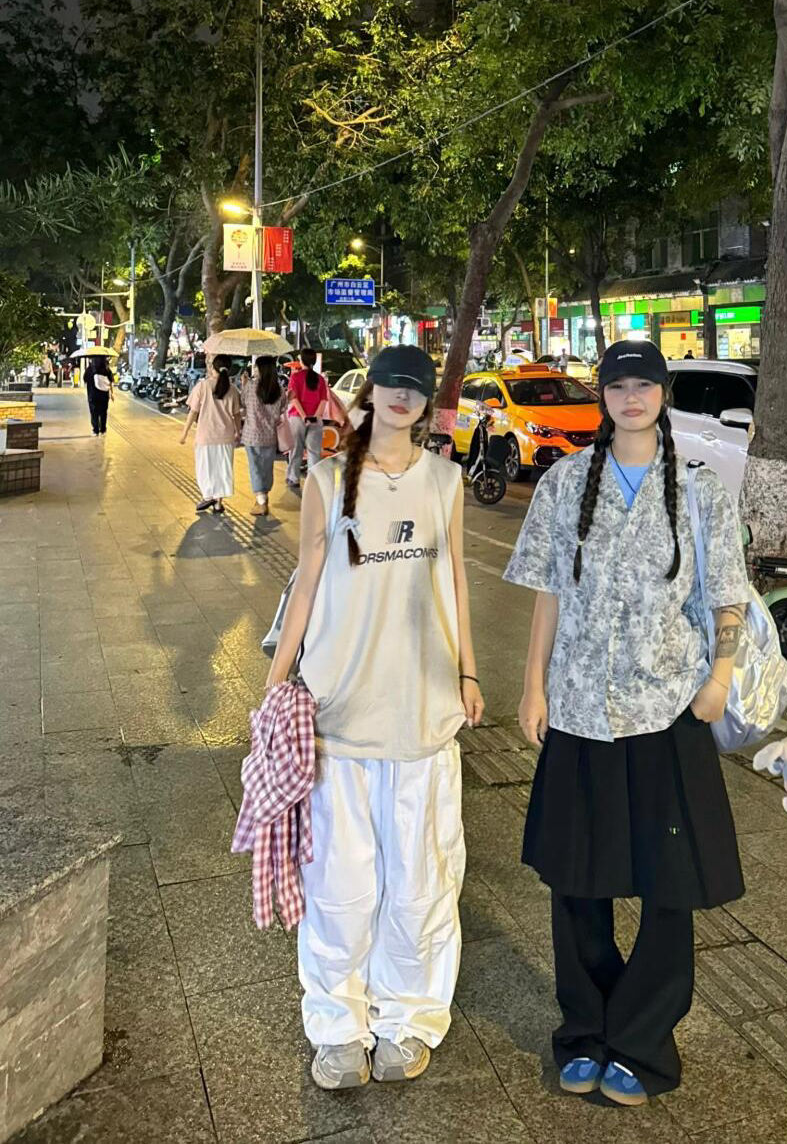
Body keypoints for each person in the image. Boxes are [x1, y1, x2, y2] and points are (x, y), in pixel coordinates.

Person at [503, 339, 750, 1108]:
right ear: (603, 395)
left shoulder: (699, 488)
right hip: (580, 707)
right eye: (619, 385)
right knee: (577, 880)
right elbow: (548, 592)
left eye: (645, 384)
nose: (632, 397)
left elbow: (728, 594)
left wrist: (719, 679)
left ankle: (642, 1040)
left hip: (667, 710)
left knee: (669, 884)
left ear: (663, 393)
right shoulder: (564, 481)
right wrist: (533, 686)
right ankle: (585, 1029)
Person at [265, 344, 484, 1093]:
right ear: (368, 394)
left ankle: (409, 1019)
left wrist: (469, 671)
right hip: (338, 712)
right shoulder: (328, 479)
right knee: (339, 886)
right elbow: (305, 586)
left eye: (414, 388)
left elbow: (455, 579)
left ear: (427, 403)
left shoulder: (445, 482)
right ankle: (337, 1028)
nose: (400, 396)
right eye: (389, 383)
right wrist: (274, 684)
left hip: (424, 711)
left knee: (421, 881)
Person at [179, 354, 242, 514]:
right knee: (222, 469)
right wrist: (238, 432)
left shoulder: (202, 386)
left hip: (205, 436)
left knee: (205, 468)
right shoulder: (233, 389)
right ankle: (218, 503)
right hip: (226, 436)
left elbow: (193, 412)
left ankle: (208, 496)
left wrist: (184, 433)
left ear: (212, 367)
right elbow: (236, 414)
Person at [241, 355, 287, 516]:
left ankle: (261, 502)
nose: (254, 370)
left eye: (256, 367)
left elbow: (243, 403)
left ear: (261, 369)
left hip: (252, 434)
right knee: (267, 467)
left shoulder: (250, 386)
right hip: (270, 435)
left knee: (255, 467)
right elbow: (283, 408)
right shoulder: (279, 389)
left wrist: (244, 384)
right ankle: (263, 496)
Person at [287, 347, 331, 490]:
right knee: (314, 452)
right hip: (315, 420)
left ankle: (293, 478)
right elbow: (323, 400)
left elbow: (293, 399)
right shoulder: (320, 379)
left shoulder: (295, 377)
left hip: (297, 418)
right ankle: (313, 481)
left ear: (302, 360)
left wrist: (304, 416)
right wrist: (315, 416)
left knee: (296, 450)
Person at [83, 355, 115, 434]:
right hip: (104, 395)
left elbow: (85, 379)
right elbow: (111, 381)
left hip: (92, 395)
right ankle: (103, 429)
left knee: (94, 412)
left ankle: (95, 429)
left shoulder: (90, 369)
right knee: (103, 412)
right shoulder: (106, 369)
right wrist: (112, 393)